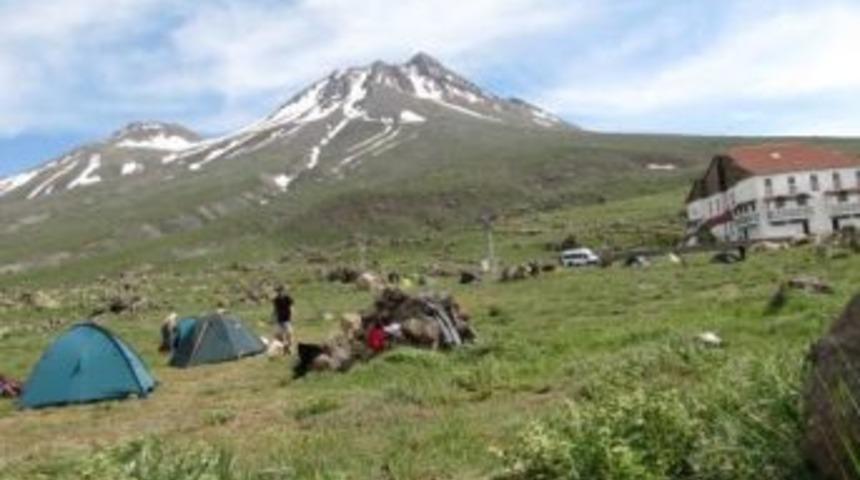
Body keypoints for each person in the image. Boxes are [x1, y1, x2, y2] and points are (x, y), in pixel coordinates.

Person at [272, 285, 294, 354]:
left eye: (280, 291)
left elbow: (291, 307)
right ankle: (284, 347)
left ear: (283, 291)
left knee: (289, 334)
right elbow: (275, 309)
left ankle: (289, 347)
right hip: (279, 319)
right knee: (279, 335)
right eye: (278, 291)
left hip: (287, 319)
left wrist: (291, 317)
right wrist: (273, 317)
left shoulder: (287, 298)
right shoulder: (276, 299)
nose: (279, 292)